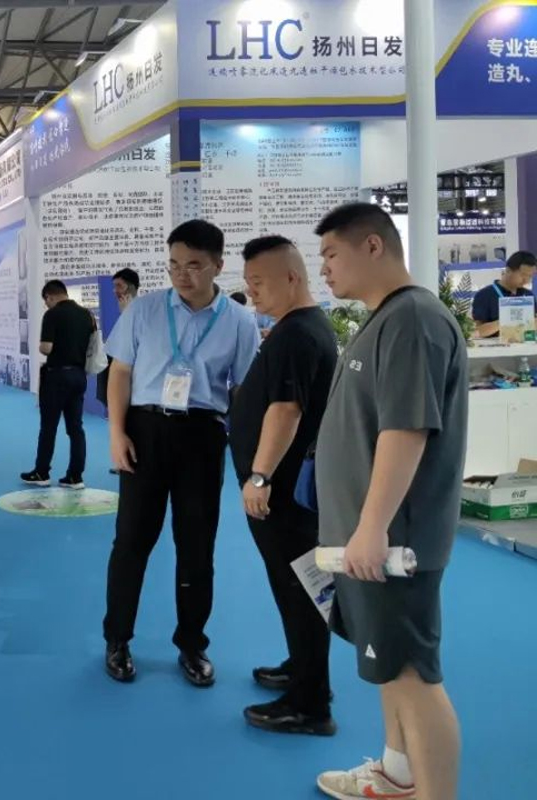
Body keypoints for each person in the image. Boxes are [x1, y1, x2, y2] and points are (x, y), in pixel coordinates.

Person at [312, 204, 467, 800]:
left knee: (412, 677)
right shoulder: (384, 318)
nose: (324, 267)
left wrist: (372, 527)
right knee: (389, 667)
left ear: (373, 246)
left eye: (331, 253)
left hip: (394, 540)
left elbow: (406, 430)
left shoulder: (413, 319)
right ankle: (398, 773)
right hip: (368, 537)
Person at [102, 219, 260, 687]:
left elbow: (243, 389)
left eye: (193, 265)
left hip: (202, 436)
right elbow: (120, 373)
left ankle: (192, 643)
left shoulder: (239, 321)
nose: (181, 274)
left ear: (218, 266)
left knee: (196, 546)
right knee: (131, 541)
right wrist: (117, 433)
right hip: (145, 431)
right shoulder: (145, 310)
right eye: (173, 264)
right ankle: (117, 639)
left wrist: (250, 458)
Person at [228, 236, 338, 736]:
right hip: (288, 488)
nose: (251, 291)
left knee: (300, 588)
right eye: (248, 282)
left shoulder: (296, 335)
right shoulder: (301, 327)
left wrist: (260, 475)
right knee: (293, 584)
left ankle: (310, 704)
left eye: (258, 281)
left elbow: (286, 410)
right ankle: (303, 668)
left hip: (284, 490)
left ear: (292, 278)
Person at [21, 280, 95, 489]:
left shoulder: (52, 315)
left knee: (49, 427)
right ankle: (75, 476)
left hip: (57, 376)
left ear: (50, 296)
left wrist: (42, 346)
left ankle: (42, 472)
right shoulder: (86, 314)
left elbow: (46, 348)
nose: (46, 304)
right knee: (76, 428)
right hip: (79, 375)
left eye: (46, 301)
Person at [96, 268, 142, 409]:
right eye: (114, 286)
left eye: (119, 286)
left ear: (131, 287)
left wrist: (127, 314)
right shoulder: (126, 310)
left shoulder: (142, 310)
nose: (115, 290)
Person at [470, 250, 537, 338]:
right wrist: (506, 320)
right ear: (508, 270)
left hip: (526, 345)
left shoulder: (528, 295)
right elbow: (476, 331)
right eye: (523, 275)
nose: (526, 280)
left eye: (530, 276)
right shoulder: (484, 295)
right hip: (494, 346)